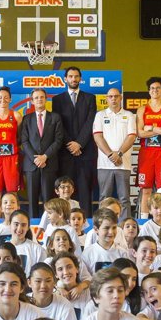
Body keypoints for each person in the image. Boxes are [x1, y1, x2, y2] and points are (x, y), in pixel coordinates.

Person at [52, 66, 98, 217]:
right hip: (66, 153)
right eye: (70, 76)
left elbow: (90, 122)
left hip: (86, 152)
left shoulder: (90, 98)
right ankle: (65, 220)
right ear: (65, 79)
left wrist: (79, 143)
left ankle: (86, 221)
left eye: (76, 76)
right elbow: (59, 125)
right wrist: (71, 144)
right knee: (66, 190)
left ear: (80, 78)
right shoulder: (57, 100)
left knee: (85, 190)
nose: (73, 79)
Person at [92, 88, 137, 219]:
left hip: (123, 164)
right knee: (104, 197)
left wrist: (120, 154)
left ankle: (124, 226)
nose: (113, 99)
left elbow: (131, 136)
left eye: (116, 96)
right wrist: (111, 155)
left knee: (124, 199)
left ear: (121, 98)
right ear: (106, 98)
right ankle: (103, 223)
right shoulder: (100, 115)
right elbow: (98, 137)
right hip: (104, 164)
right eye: (110, 96)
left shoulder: (129, 115)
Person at [136, 76, 161, 219]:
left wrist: (151, 127)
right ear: (149, 91)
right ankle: (143, 220)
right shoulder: (142, 110)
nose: (155, 90)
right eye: (152, 88)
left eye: (158, 88)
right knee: (145, 189)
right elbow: (140, 133)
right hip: (147, 152)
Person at [20, 88, 64, 218]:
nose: (39, 99)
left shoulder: (55, 117)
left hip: (49, 164)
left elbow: (58, 140)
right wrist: (36, 159)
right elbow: (24, 140)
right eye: (36, 97)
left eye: (42, 97)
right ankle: (33, 224)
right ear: (32, 101)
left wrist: (45, 157)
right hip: (31, 165)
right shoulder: (27, 119)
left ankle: (49, 226)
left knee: (48, 199)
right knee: (32, 199)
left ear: (46, 99)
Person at [0, 86, 23, 218]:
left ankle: (14, 219)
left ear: (10, 99)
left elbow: (19, 137)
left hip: (11, 159)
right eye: (0, 97)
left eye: (6, 97)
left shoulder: (16, 116)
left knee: (12, 192)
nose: (3, 100)